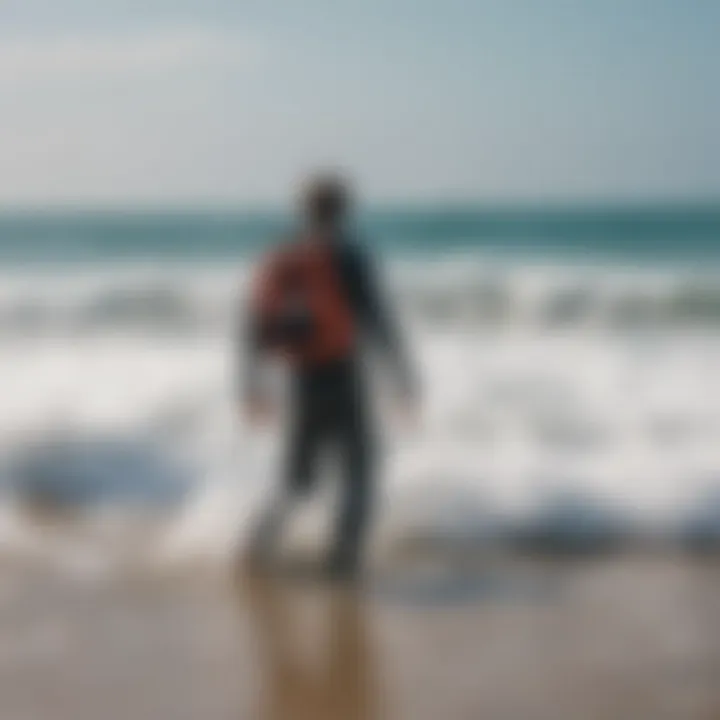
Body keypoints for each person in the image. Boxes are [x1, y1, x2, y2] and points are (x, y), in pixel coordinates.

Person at [241, 174, 417, 579]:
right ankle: (341, 562)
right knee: (361, 472)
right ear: (345, 211)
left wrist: (251, 385)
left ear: (303, 210)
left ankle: (255, 549)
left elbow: (254, 325)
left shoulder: (284, 257)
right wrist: (404, 379)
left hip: (301, 380)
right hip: (343, 377)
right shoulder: (349, 258)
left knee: (297, 479)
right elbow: (378, 322)